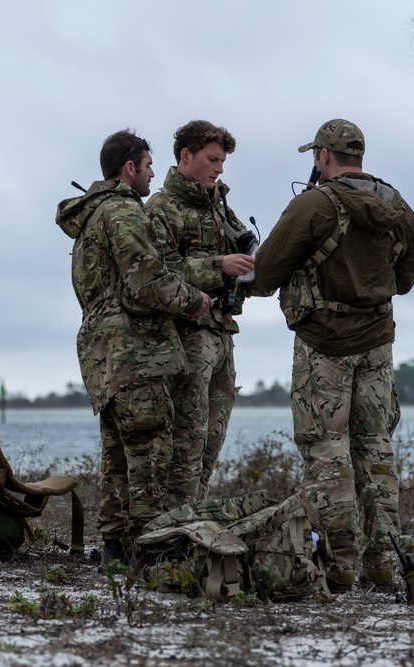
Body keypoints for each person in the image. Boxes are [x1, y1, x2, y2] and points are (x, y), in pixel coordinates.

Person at [253, 119, 414, 592]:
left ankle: (340, 564)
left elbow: (265, 274)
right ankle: (385, 561)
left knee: (327, 451)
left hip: (323, 344)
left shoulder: (313, 204)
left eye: (315, 156)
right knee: (376, 447)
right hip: (378, 344)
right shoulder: (399, 207)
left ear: (324, 156)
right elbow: (404, 282)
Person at [56, 129, 213, 571]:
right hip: (134, 351)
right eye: (147, 167)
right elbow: (145, 281)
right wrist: (193, 299)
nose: (150, 176)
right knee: (150, 452)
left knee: (117, 455)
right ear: (129, 168)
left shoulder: (91, 216)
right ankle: (151, 552)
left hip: (102, 352)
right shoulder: (123, 213)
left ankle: (114, 549)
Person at [144, 120, 259, 507]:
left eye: (223, 161)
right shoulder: (161, 209)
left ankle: (191, 521)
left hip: (223, 332)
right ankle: (171, 530)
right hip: (186, 336)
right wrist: (218, 265)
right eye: (212, 159)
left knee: (212, 439)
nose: (219, 168)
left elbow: (241, 255)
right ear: (185, 156)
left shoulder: (220, 206)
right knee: (186, 439)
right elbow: (156, 271)